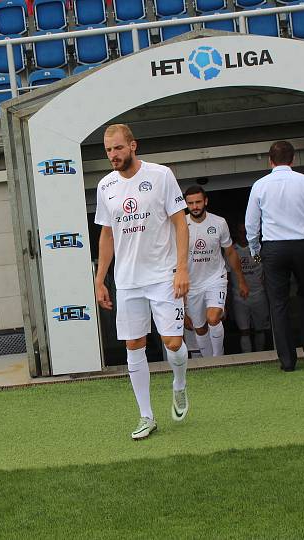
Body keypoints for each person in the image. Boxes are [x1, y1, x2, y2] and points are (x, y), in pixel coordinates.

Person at [94, 123, 190, 440]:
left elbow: (180, 223)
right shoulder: (105, 186)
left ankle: (179, 383)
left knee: (173, 343)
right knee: (133, 345)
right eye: (108, 150)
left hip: (164, 275)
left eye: (118, 148)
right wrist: (100, 278)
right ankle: (146, 416)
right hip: (128, 280)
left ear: (133, 146)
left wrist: (182, 269)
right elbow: (106, 234)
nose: (113, 155)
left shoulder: (161, 176)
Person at [245, 140, 304, 372]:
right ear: (293, 160)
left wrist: (255, 251)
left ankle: (287, 360)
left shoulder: (260, 185)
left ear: (270, 160)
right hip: (303, 244)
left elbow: (251, 224)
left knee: (278, 302)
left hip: (273, 247)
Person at [184, 186, 248, 357]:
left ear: (205, 201)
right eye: (191, 203)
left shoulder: (219, 223)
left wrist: (241, 280)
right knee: (200, 328)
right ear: (186, 204)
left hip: (215, 278)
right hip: (192, 284)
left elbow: (230, 252)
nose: (195, 206)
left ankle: (219, 358)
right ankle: (208, 362)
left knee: (213, 318)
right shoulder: (180, 225)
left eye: (198, 202)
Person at [233, 222, 271, 352]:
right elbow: (226, 274)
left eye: (246, 232)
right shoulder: (232, 251)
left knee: (260, 330)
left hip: (258, 295)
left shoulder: (256, 250)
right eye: (241, 232)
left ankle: (260, 356)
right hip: (240, 297)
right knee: (244, 331)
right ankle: (247, 358)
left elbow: (265, 268)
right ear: (236, 234)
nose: (243, 235)